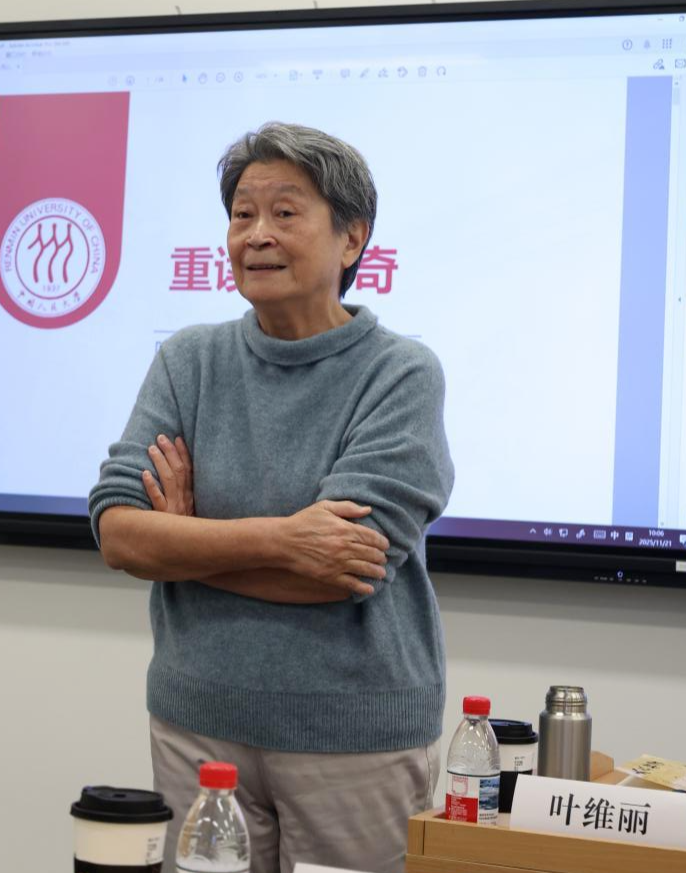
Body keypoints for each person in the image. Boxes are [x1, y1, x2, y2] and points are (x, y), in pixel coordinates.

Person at [89, 121, 454, 873]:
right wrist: (284, 539)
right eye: (242, 214)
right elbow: (121, 534)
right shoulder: (189, 359)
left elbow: (346, 569)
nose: (256, 234)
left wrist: (185, 545)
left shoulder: (400, 372)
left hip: (353, 733)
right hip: (197, 719)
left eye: (285, 213)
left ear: (352, 238)